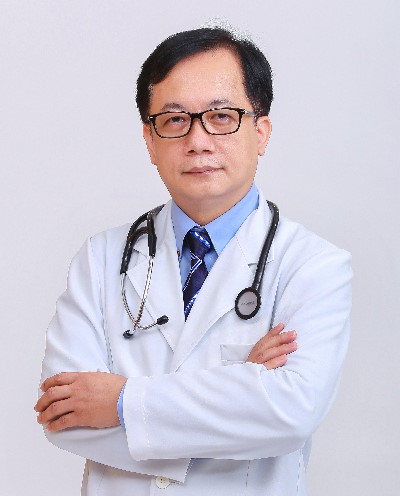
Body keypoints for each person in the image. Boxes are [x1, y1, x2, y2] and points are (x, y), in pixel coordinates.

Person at [35, 27, 352, 496]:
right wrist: (238, 390)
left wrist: (120, 401)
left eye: (222, 117)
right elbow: (64, 416)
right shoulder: (100, 259)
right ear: (149, 139)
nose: (198, 140)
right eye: (175, 120)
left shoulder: (314, 266)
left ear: (261, 132)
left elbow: (290, 413)